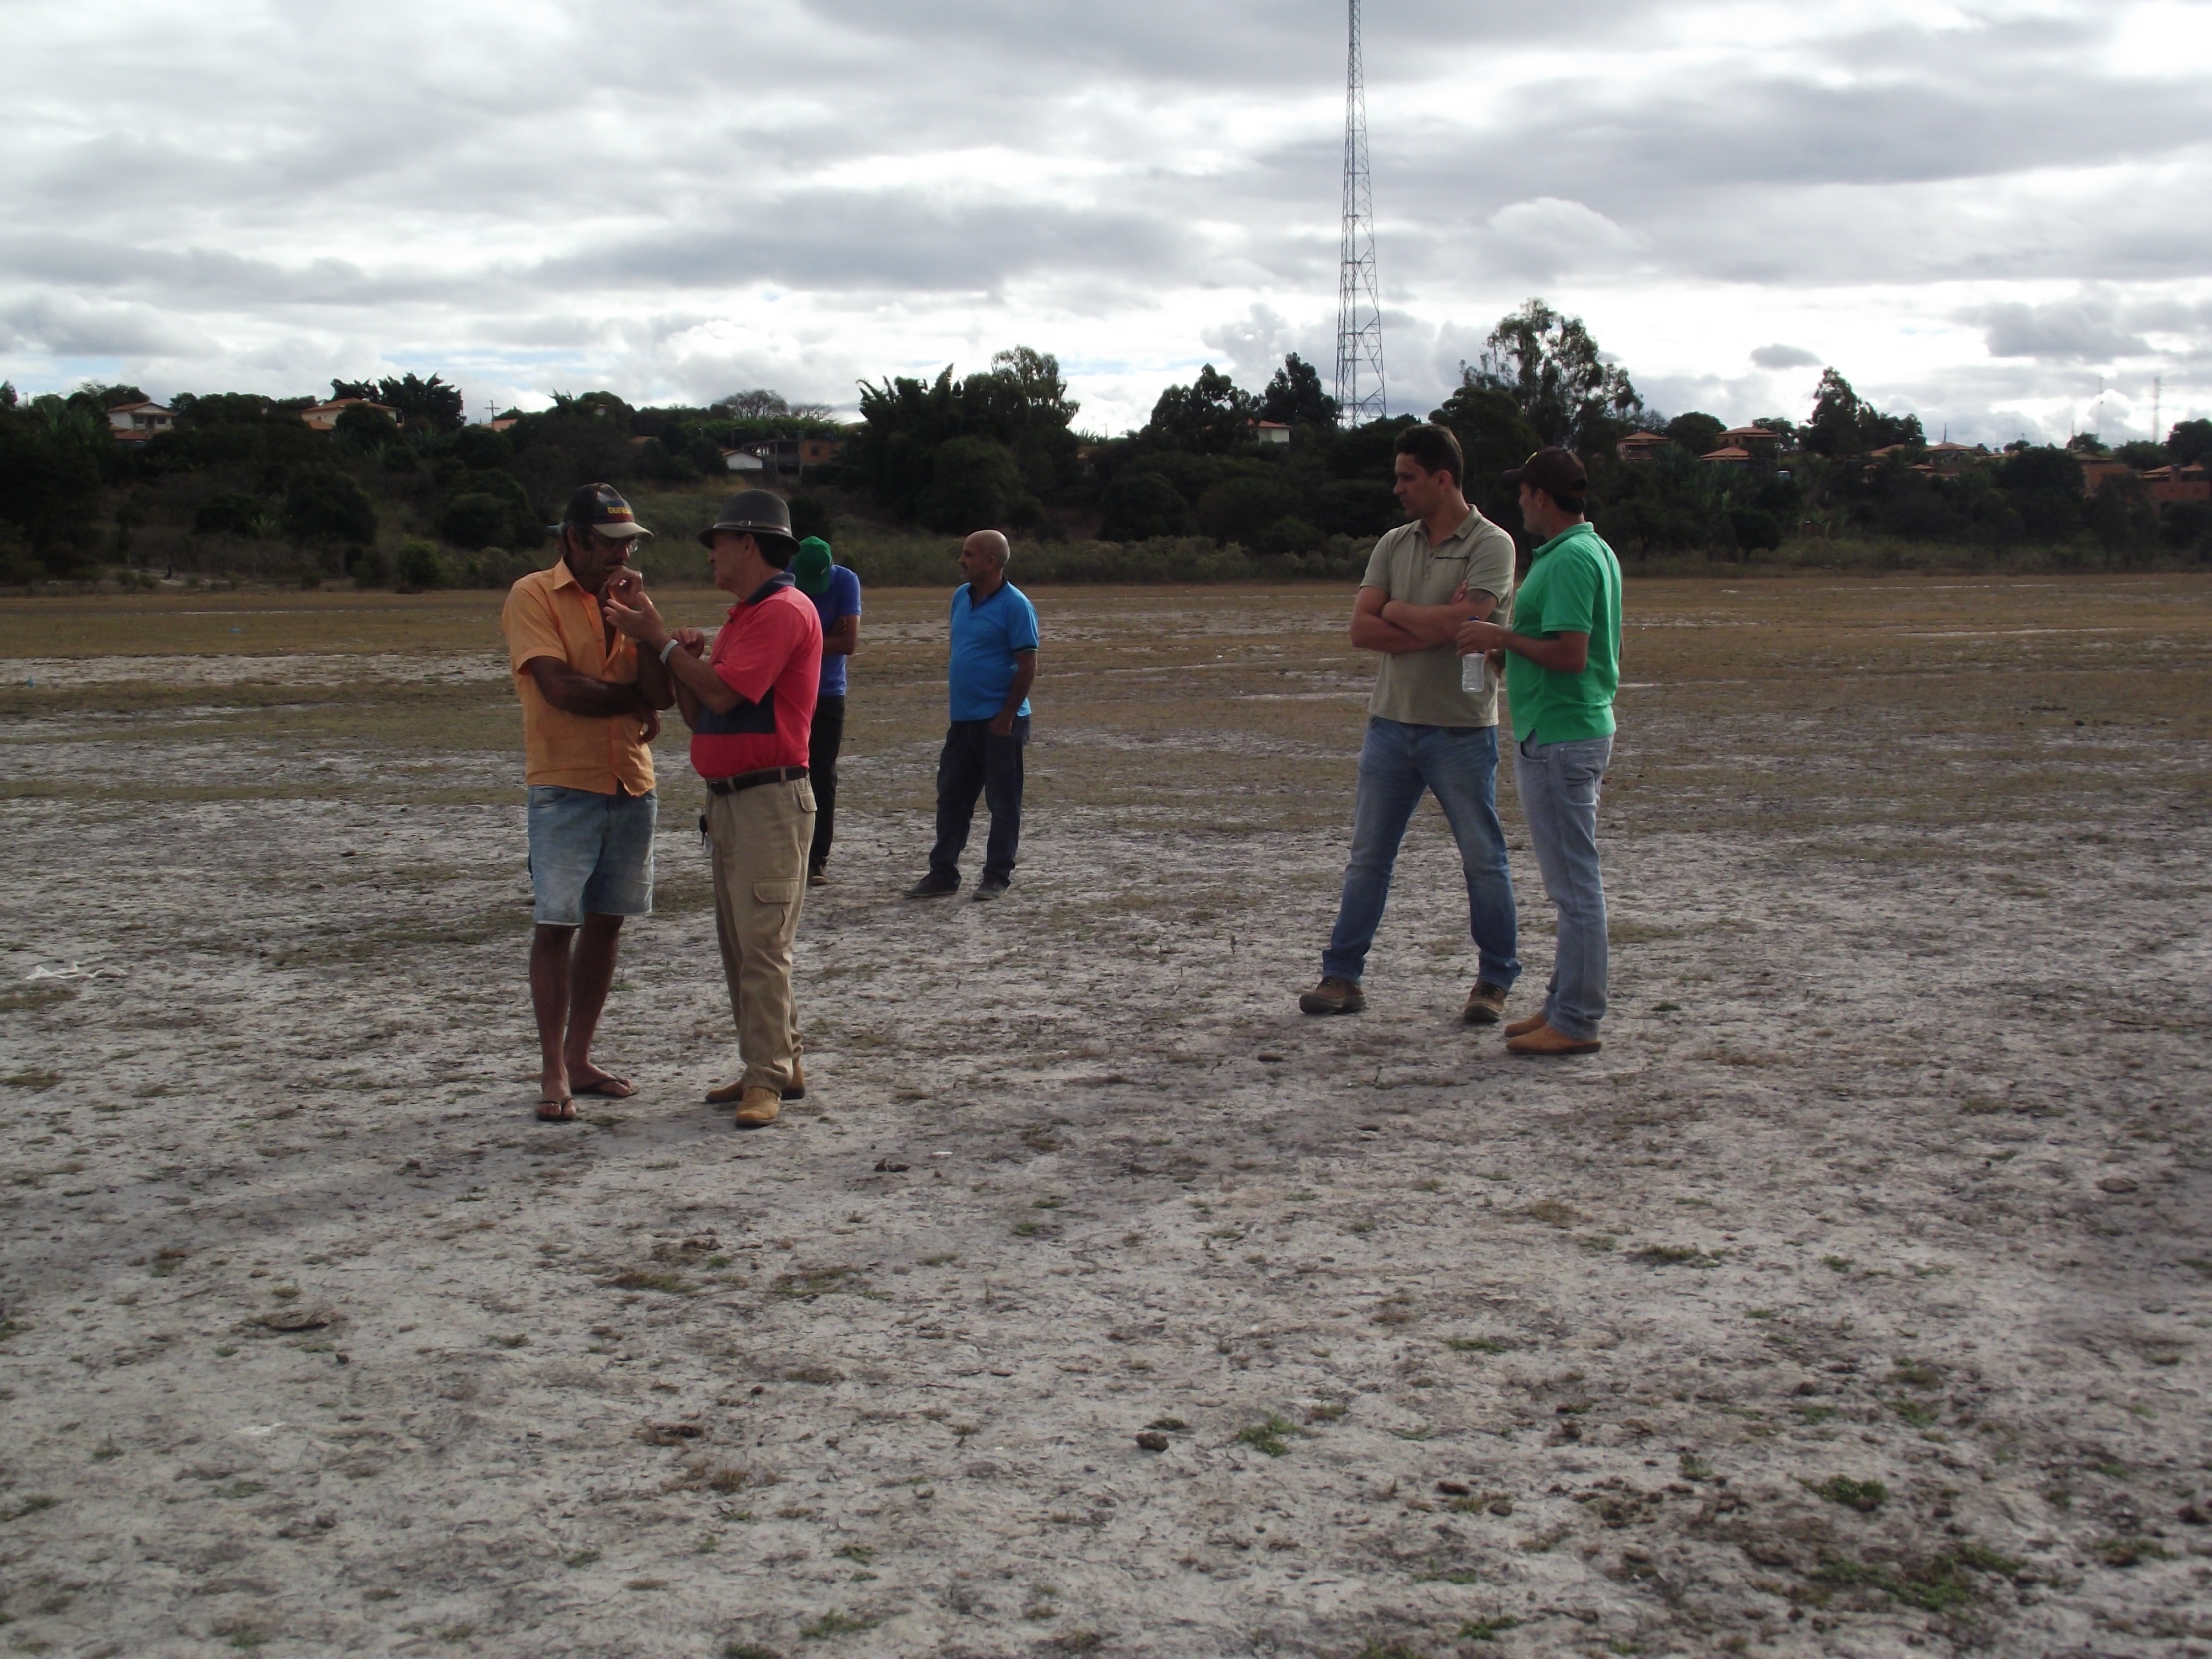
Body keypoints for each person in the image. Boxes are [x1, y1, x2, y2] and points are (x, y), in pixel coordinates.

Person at [603, 491, 822, 1127]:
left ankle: (766, 1079)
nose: (710, 556)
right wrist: (682, 662)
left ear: (748, 544)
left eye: (718, 543)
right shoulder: (746, 617)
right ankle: (780, 1062)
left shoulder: (782, 612)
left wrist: (663, 644)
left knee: (761, 944)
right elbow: (700, 713)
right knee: (743, 944)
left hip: (769, 801)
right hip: (733, 802)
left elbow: (724, 697)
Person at [1299, 423, 1520, 1023]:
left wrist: (1397, 611)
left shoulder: (1492, 544)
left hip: (1460, 731)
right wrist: (1427, 620)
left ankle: (1493, 982)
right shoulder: (1393, 544)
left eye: (1407, 477)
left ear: (1441, 480)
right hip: (1389, 727)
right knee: (1367, 858)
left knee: (1482, 858)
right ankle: (1341, 976)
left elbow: (1470, 625)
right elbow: (1361, 630)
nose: (1396, 488)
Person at [499, 484, 675, 1122]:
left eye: (627, 543)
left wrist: (650, 633)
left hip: (631, 783)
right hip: (564, 784)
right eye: (608, 543)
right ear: (571, 539)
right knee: (556, 924)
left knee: (607, 923)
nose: (620, 554)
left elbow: (661, 696)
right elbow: (560, 688)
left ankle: (580, 1056)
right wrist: (631, 702)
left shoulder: (629, 601)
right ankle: (551, 1067)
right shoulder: (531, 595)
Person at [1455, 447, 1623, 1057]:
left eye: (1524, 492)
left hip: (1560, 735)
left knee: (1574, 887)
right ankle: (1561, 1004)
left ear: (1542, 498)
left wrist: (1500, 636)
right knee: (1570, 884)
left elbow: (1570, 655)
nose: (1519, 502)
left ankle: (1576, 1019)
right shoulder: (1582, 551)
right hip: (1560, 729)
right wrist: (1506, 652)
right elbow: (1551, 646)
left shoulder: (1572, 560)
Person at [904, 530, 1039, 903]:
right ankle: (942, 873)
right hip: (963, 721)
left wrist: (1006, 716)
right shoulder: (960, 598)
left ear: (990, 562)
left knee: (1002, 801)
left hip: (1000, 722)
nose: (961, 560)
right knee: (952, 798)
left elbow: (1027, 666)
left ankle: (996, 876)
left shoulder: (1016, 605)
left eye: (969, 554)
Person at [791, 536, 861, 887]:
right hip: (789, 692)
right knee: (787, 770)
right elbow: (779, 643)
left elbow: (848, 644)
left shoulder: (846, 581)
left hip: (828, 692)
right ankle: (789, 853)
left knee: (822, 773)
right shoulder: (785, 577)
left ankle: (817, 859)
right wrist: (823, 638)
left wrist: (804, 641)